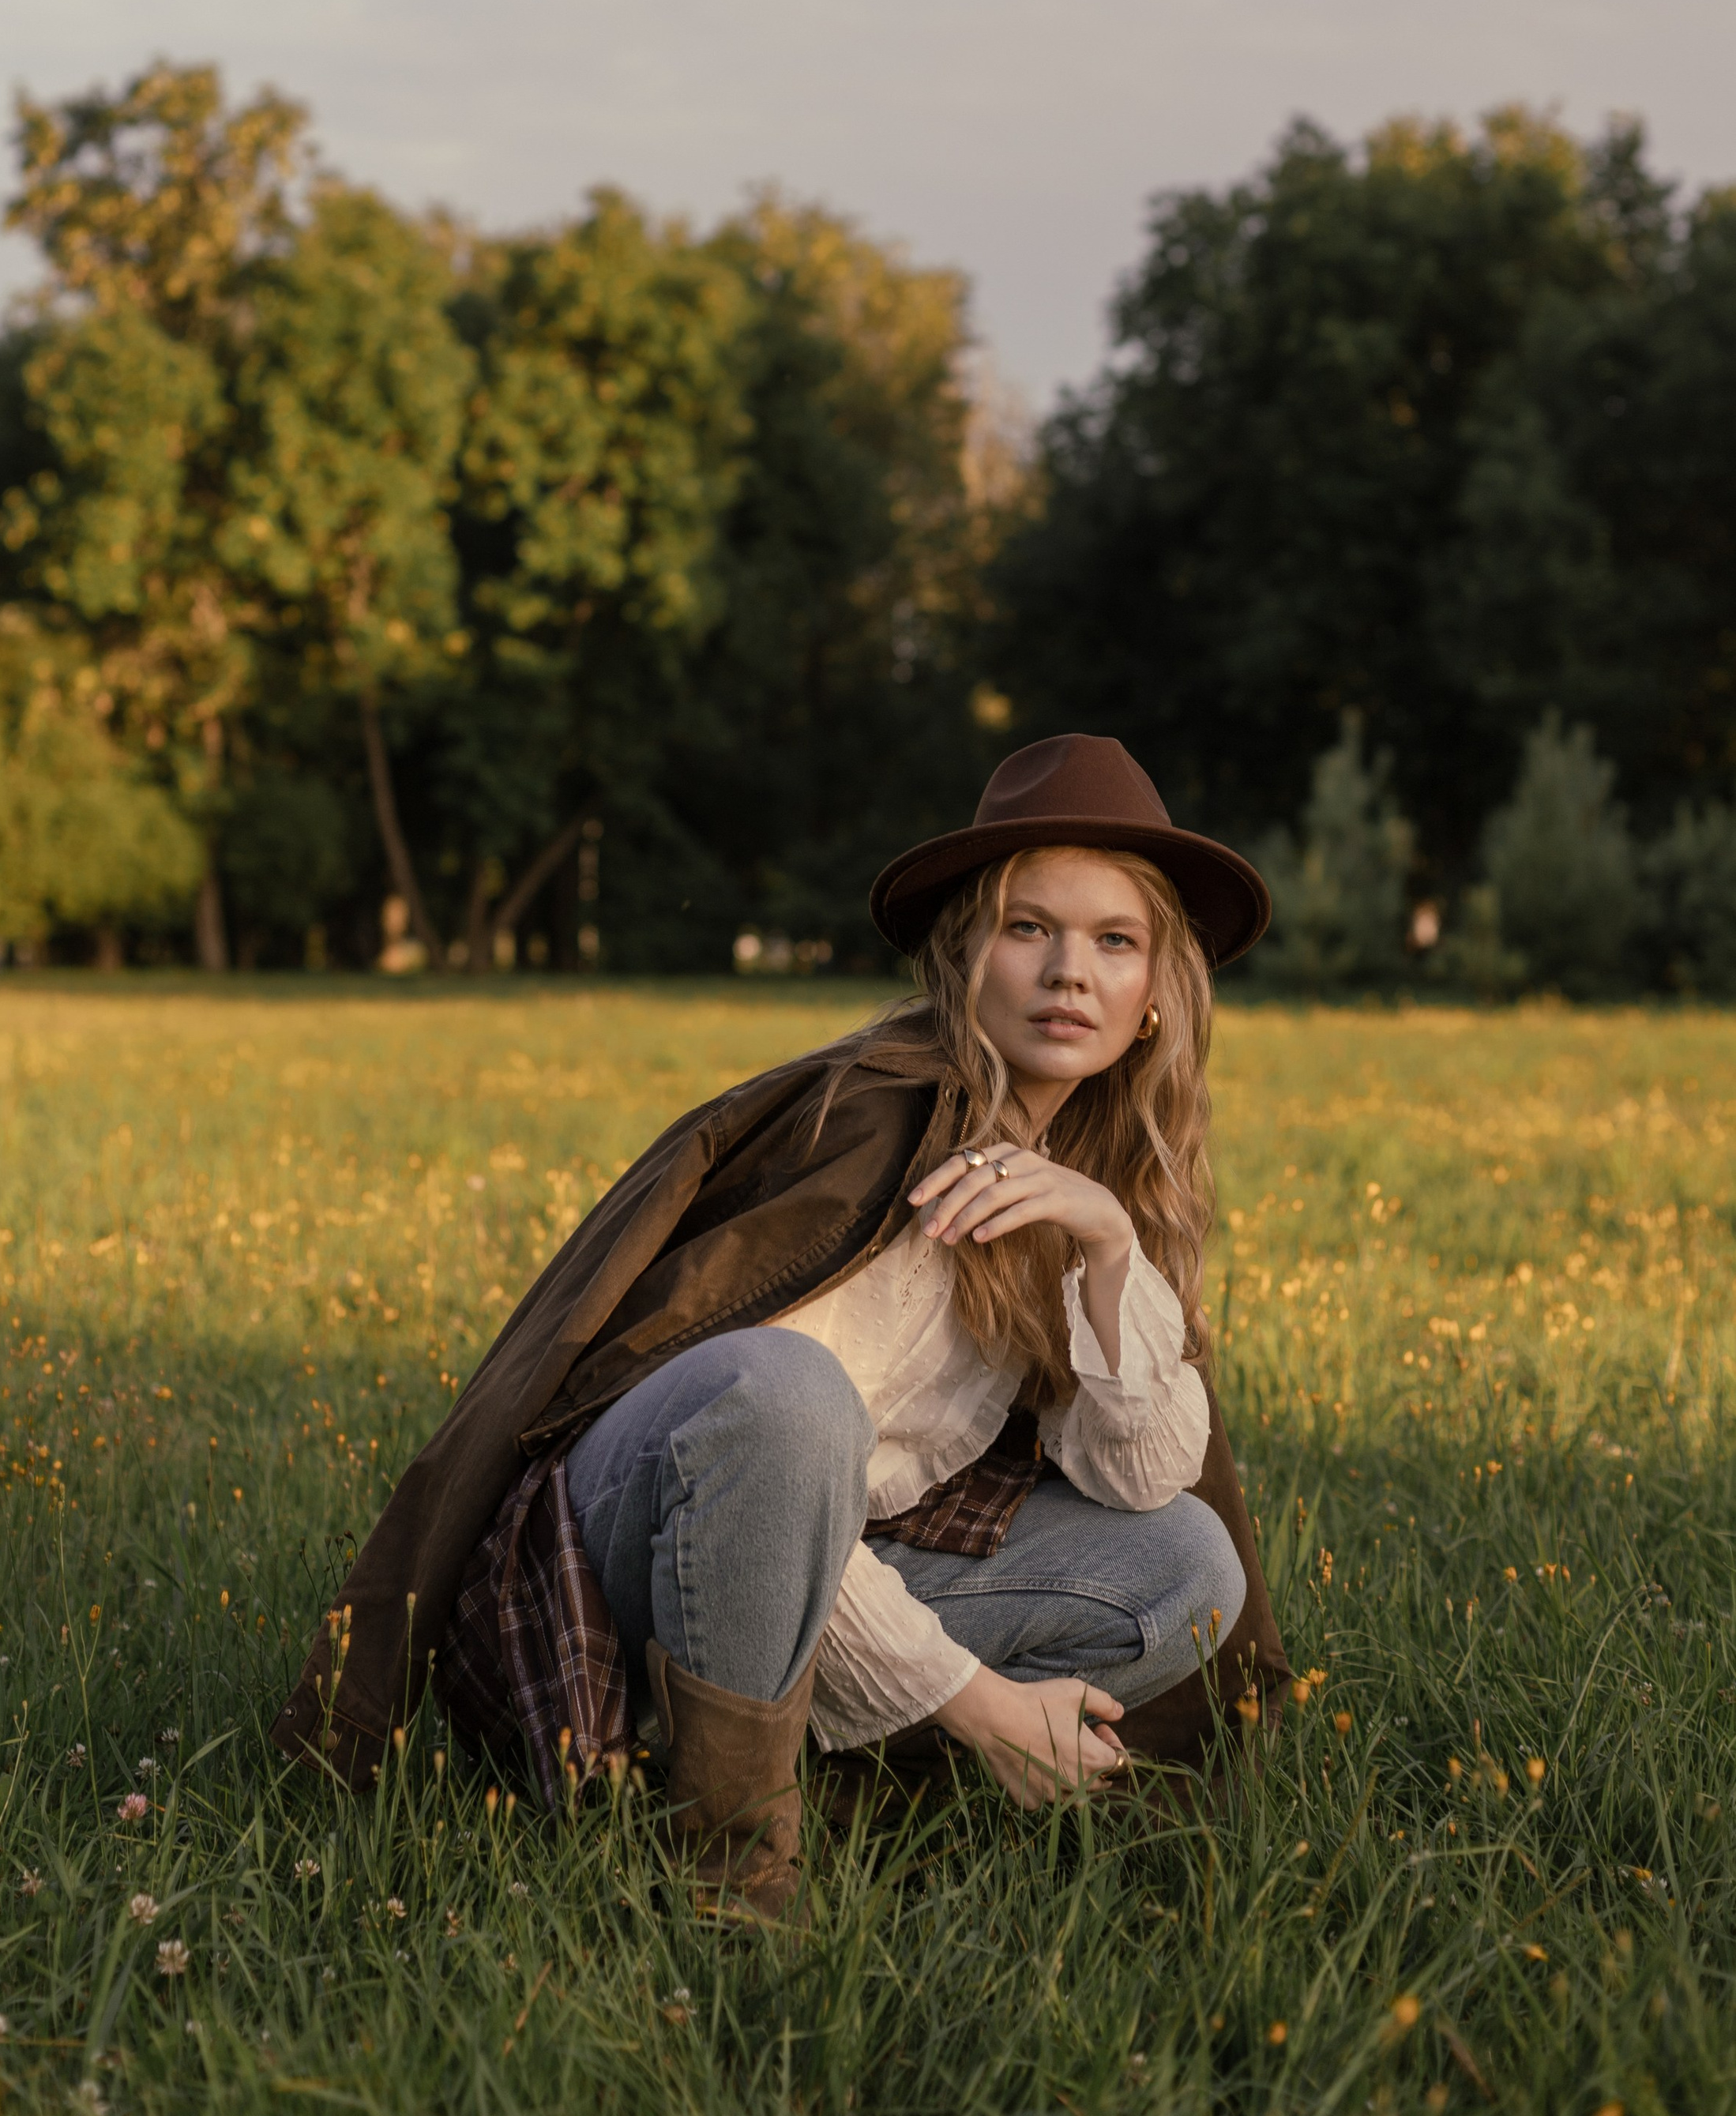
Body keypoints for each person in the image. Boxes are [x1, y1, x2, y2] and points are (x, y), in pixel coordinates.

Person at [273, 735, 1290, 1920]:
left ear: (1159, 993)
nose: (1071, 971)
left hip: (815, 1553)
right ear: (964, 955)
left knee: (1186, 1565)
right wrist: (984, 1705)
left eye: (1115, 941)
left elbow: (1143, 1476)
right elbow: (764, 1451)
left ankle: (802, 1773)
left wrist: (1108, 1248)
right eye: (1030, 928)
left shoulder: (1094, 1179)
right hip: (637, 1541)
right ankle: (731, 1879)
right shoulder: (876, 1125)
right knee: (791, 1391)